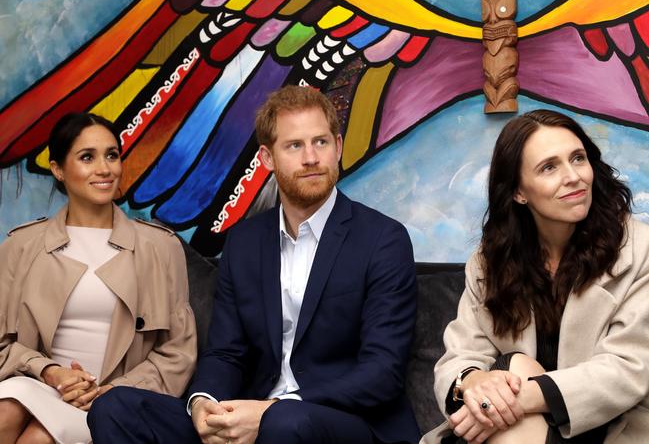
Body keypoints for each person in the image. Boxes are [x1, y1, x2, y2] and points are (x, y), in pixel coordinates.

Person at [88, 85, 421, 444]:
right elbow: (227, 352)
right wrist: (204, 404)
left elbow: (381, 373)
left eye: (321, 143)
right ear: (267, 158)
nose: (311, 157)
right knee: (115, 407)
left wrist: (270, 410)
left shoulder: (383, 239)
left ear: (338, 147)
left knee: (284, 423)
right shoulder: (245, 242)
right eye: (294, 145)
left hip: (346, 423)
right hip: (254, 414)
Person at [421, 109, 649, 444]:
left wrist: (515, 401)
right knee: (514, 367)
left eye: (578, 158)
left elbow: (628, 369)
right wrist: (473, 385)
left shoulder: (639, 249)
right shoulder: (490, 261)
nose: (573, 177)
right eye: (549, 167)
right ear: (518, 191)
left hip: (608, 428)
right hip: (509, 426)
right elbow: (462, 353)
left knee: (514, 373)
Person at [0, 112, 197, 444]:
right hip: (42, 383)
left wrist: (110, 392)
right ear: (57, 169)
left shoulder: (161, 248)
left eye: (112, 155)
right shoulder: (20, 246)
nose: (105, 169)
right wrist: (50, 372)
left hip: (114, 398)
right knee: (4, 409)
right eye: (87, 157)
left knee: (39, 437)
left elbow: (178, 351)